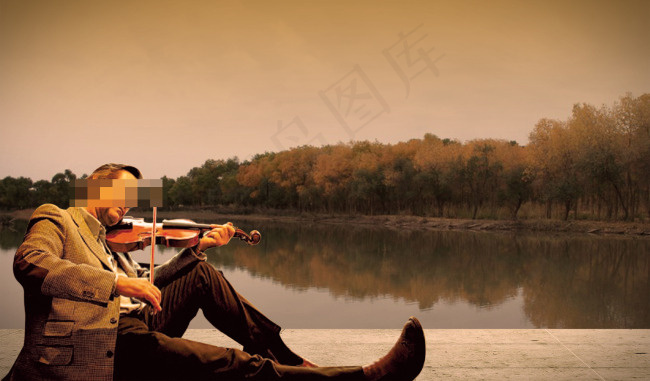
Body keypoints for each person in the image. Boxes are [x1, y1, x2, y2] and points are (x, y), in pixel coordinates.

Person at [4, 163, 425, 380]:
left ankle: (290, 360)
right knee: (231, 366)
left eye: (135, 197)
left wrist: (199, 247)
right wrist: (116, 281)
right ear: (95, 183)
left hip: (133, 322)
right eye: (124, 191)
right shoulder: (57, 217)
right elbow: (30, 263)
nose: (130, 204)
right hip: (101, 340)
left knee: (201, 275)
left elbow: (146, 288)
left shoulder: (107, 239)